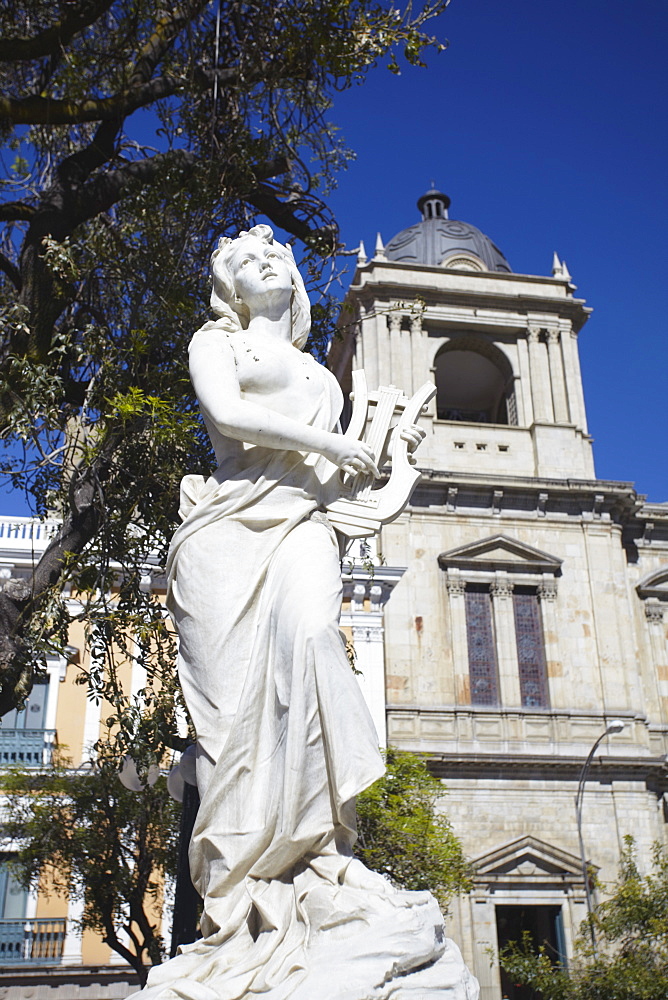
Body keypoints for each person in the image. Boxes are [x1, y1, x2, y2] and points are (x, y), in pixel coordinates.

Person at [136, 225, 477, 1000]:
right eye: (246, 263)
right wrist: (331, 441)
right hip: (225, 536)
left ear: (292, 279)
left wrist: (390, 454)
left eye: (274, 258)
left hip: (302, 526)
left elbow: (335, 481)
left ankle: (322, 849)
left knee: (316, 639)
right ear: (230, 289)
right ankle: (237, 899)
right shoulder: (217, 345)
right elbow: (227, 416)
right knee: (229, 727)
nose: (265, 267)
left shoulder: (323, 379)